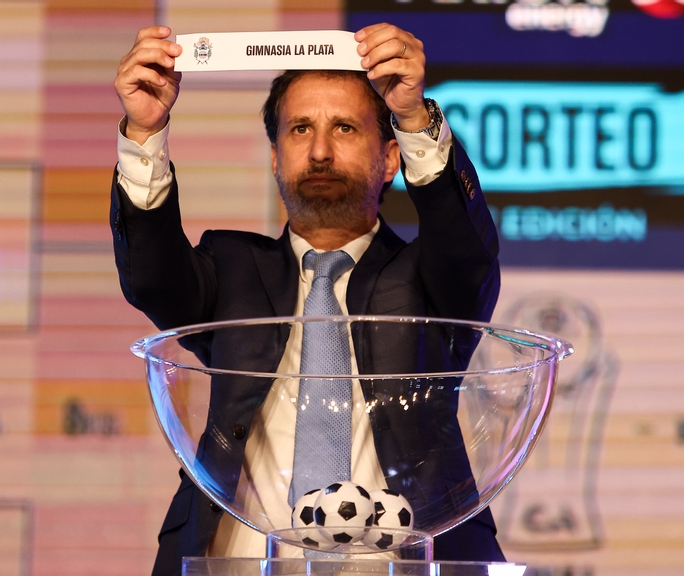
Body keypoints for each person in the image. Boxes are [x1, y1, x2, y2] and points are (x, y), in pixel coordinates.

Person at [112, 23, 503, 576]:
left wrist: (415, 118)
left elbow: (467, 253)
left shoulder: (432, 282)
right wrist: (145, 131)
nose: (320, 150)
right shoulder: (231, 269)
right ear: (275, 158)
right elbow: (151, 278)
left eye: (344, 127)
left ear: (392, 158)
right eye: (300, 129)